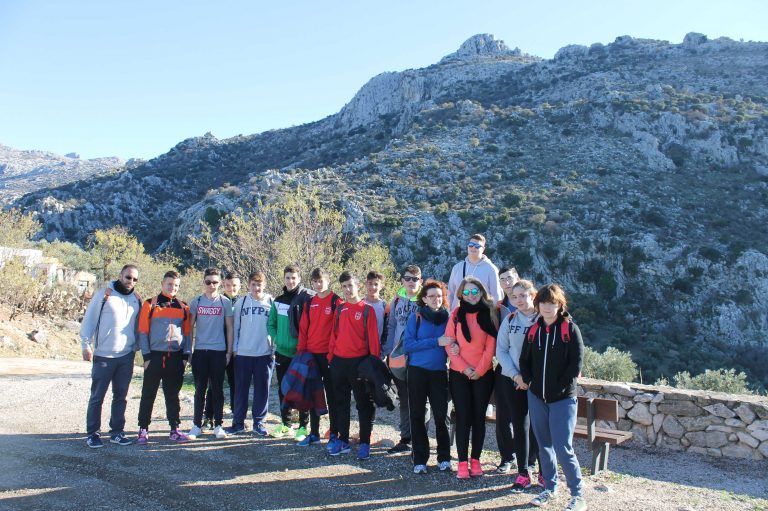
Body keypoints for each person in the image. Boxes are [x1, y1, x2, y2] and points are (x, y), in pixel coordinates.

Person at [520, 284, 586, 511]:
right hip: (537, 397)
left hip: (563, 399)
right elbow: (524, 361)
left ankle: (577, 496)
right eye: (544, 302)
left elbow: (576, 363)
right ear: (537, 304)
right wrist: (530, 382)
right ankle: (550, 488)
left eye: (553, 303)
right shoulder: (533, 330)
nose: (548, 307)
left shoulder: (570, 329)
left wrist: (560, 387)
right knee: (544, 445)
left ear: (560, 305)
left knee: (563, 447)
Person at [80, 264, 142, 448]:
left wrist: (137, 346)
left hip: (126, 355)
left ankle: (117, 432)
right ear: (120, 276)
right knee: (97, 396)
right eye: (128, 277)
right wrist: (86, 344)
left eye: (134, 279)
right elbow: (89, 319)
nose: (131, 281)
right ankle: (92, 433)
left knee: (121, 396)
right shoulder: (105, 295)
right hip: (104, 355)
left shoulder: (136, 299)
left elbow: (138, 325)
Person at [443, 276, 498, 479]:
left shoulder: (489, 314)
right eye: (467, 292)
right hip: (459, 374)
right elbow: (449, 343)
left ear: (482, 293)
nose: (471, 296)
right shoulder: (456, 314)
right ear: (461, 294)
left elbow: (490, 347)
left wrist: (480, 370)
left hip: (483, 375)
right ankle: (462, 462)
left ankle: (476, 460)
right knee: (464, 418)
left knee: (478, 419)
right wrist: (465, 369)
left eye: (475, 292)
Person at [327, 271, 380, 459]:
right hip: (339, 363)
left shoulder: (367, 310)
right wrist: (331, 358)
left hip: (359, 363)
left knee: (363, 404)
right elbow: (334, 335)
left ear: (358, 286)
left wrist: (373, 365)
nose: (348, 290)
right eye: (344, 287)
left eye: (351, 285)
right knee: (341, 403)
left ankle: (365, 442)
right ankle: (343, 440)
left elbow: (373, 341)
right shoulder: (340, 309)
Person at [136, 271, 192, 445]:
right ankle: (143, 429)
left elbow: (188, 334)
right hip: (154, 356)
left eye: (176, 285)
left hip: (175, 357)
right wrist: (146, 356)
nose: (172, 288)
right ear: (162, 283)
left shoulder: (184, 307)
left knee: (173, 395)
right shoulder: (149, 304)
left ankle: (174, 429)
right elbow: (143, 332)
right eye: (169, 284)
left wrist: (185, 356)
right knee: (148, 394)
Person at [496, 280, 542, 489]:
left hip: (539, 383)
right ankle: (523, 472)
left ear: (532, 295)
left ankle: (544, 472)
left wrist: (532, 379)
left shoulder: (545, 319)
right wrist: (516, 376)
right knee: (520, 425)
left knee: (541, 427)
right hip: (514, 381)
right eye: (514, 297)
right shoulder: (511, 319)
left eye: (523, 295)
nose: (518, 300)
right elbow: (501, 351)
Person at [403, 279, 452, 474]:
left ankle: (444, 458)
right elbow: (408, 345)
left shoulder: (448, 318)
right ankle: (420, 458)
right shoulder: (416, 317)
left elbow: (452, 342)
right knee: (416, 415)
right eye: (431, 296)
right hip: (417, 371)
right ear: (424, 298)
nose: (435, 299)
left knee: (441, 416)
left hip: (439, 372)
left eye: (439, 296)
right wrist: (436, 341)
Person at [268, 264, 314, 440]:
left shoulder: (306, 299)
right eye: (287, 277)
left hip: (300, 352)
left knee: (302, 389)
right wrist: (277, 339)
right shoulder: (278, 300)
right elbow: (271, 324)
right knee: (283, 388)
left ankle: (303, 427)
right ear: (284, 279)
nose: (290, 281)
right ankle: (285, 424)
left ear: (299, 279)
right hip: (282, 353)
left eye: (294, 277)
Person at [296, 267, 341, 447]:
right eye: (315, 281)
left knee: (332, 395)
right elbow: (304, 329)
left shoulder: (336, 301)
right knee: (313, 395)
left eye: (321, 280)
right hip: (311, 354)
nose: (318, 284)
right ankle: (314, 433)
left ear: (328, 280)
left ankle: (334, 434)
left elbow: (338, 331)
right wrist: (302, 352)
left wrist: (333, 354)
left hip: (329, 356)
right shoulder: (310, 302)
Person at [188, 268, 234, 440]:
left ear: (220, 283)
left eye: (215, 282)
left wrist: (229, 351)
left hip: (218, 351)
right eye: (208, 282)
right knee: (200, 389)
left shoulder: (225, 302)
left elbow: (229, 328)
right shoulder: (197, 302)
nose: (211, 285)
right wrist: (189, 350)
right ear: (204, 282)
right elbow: (189, 329)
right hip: (200, 351)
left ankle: (218, 425)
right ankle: (196, 425)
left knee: (217, 389)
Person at [382, 264, 424, 454]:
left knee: (421, 400)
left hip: (418, 358)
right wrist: (389, 351)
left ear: (420, 281)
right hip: (398, 358)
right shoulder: (397, 299)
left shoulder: (425, 301)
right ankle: (406, 438)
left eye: (415, 279)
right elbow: (391, 326)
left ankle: (419, 440)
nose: (411, 282)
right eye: (407, 278)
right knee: (405, 399)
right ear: (402, 280)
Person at [226, 271, 273, 437]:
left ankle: (259, 422)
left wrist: (272, 349)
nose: (256, 288)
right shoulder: (241, 302)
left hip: (264, 353)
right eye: (253, 284)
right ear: (249, 285)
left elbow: (274, 327)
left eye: (259, 284)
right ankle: (238, 422)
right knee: (240, 390)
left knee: (262, 389)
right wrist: (235, 349)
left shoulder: (271, 302)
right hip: (244, 353)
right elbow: (236, 327)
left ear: (264, 285)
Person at [203, 272, 241, 430]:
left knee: (235, 384)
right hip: (218, 348)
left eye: (234, 285)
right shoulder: (219, 301)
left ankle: (236, 417)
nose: (231, 288)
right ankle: (208, 416)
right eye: (227, 285)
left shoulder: (243, 302)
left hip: (236, 351)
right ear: (223, 285)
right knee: (213, 385)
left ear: (239, 286)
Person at [494, 266, 521, 473]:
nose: (507, 282)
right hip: (503, 367)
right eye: (502, 280)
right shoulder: (499, 308)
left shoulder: (533, 304)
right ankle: (506, 458)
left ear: (517, 278)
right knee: (503, 416)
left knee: (526, 417)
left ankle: (528, 460)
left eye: (509, 278)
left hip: (527, 371)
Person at [446, 234, 503, 311]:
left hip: (481, 316)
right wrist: (449, 313)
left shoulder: (491, 269)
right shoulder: (457, 268)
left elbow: (496, 296)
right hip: (458, 315)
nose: (473, 247)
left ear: (483, 249)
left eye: (477, 246)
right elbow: (450, 293)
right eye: (471, 245)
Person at [364, 270, 387, 345]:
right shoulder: (360, 304)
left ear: (381, 286)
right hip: (360, 350)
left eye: (376, 284)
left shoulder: (385, 306)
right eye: (370, 283)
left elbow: (388, 330)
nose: (372, 287)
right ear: (366, 284)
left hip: (377, 349)